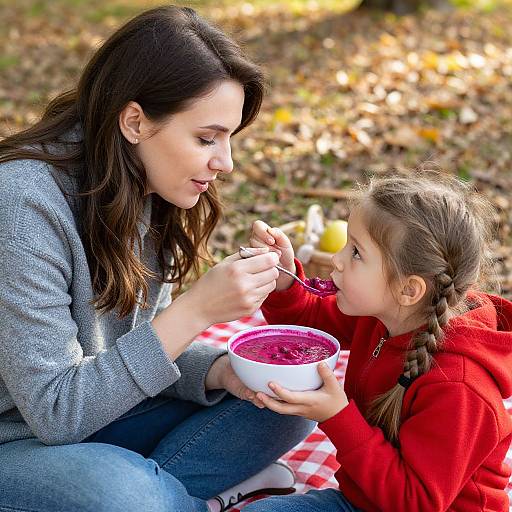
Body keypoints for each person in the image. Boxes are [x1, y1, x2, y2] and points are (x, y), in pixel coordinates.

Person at [0, 6, 315, 512]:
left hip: (99, 420)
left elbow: (131, 349)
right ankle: (177, 497)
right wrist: (194, 312)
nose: (226, 162)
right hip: (17, 440)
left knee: (289, 401)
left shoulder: (145, 185)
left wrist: (220, 373)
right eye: (206, 138)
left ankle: (166, 496)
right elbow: (56, 412)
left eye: (230, 138)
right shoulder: (22, 206)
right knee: (123, 494)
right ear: (134, 121)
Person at [243, 171, 512, 512]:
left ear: (408, 289)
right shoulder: (383, 313)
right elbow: (310, 320)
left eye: (356, 253)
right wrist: (284, 282)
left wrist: (338, 417)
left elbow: (416, 502)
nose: (337, 260)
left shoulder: (460, 387)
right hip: (366, 499)